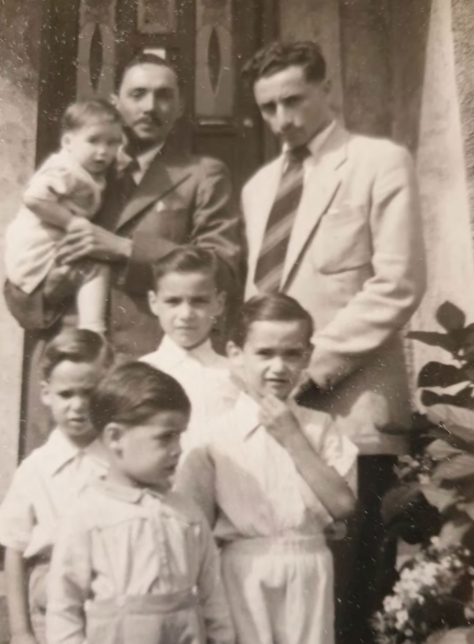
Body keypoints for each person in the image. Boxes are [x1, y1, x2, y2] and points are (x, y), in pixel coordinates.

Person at [240, 41, 426, 643]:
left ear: (327, 89)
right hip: (282, 414)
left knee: (355, 588)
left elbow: (398, 283)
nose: (282, 120)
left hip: (354, 409)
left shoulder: (378, 161)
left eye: (294, 100)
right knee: (288, 582)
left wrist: (312, 368)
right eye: (268, 108)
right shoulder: (260, 187)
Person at [9, 50, 243, 454]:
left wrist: (123, 248)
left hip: (147, 364)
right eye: (137, 94)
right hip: (67, 368)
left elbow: (220, 271)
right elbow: (20, 266)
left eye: (164, 95)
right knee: (58, 496)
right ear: (116, 101)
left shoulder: (203, 174)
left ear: (181, 105)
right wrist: (49, 288)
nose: (150, 106)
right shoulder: (73, 170)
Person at [177, 294, 357, 644]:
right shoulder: (214, 435)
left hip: (309, 565)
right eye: (264, 353)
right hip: (242, 569)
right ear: (235, 354)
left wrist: (293, 437)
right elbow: (195, 520)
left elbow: (343, 505)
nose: (278, 367)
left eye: (291, 354)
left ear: (307, 356)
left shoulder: (320, 428)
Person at [46, 361, 235, 644]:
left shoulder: (184, 510)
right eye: (165, 437)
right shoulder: (88, 514)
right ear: (115, 437)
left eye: (180, 436)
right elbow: (64, 604)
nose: (178, 449)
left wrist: (222, 638)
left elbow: (212, 592)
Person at [0, 329, 112, 644]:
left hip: (109, 592)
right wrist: (21, 631)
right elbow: (14, 550)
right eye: (66, 394)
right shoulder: (35, 469)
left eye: (89, 393)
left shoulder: (120, 462)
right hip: (49, 595)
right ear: (46, 393)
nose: (78, 405)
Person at [4, 99, 123, 333]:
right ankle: (93, 329)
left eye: (112, 143)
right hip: (37, 247)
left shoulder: (87, 169)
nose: (103, 151)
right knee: (95, 267)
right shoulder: (65, 168)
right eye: (93, 140)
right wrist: (71, 222)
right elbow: (34, 198)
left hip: (43, 247)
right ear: (68, 142)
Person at [140, 246, 240, 453]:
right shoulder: (141, 372)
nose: (186, 314)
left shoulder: (236, 373)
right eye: (173, 301)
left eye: (199, 301)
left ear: (219, 303)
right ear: (153, 302)